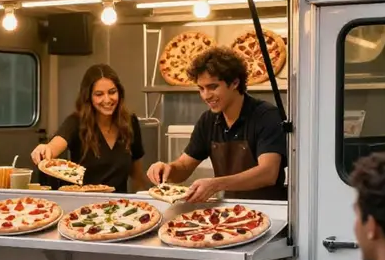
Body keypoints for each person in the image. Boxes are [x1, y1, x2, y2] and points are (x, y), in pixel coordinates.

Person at [147, 46, 287, 202]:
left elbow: (268, 173)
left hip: (270, 210)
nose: (206, 96)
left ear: (235, 83)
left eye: (213, 87)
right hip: (228, 211)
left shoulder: (266, 116)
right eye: (201, 89)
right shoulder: (208, 121)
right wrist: (168, 169)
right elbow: (185, 167)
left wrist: (216, 184)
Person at [31, 64, 148, 192]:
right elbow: (56, 144)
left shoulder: (130, 122)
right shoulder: (76, 122)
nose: (107, 99)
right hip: (84, 206)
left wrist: (144, 197)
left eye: (112, 92)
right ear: (89, 97)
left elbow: (136, 172)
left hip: (119, 206)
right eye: (99, 94)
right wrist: (45, 149)